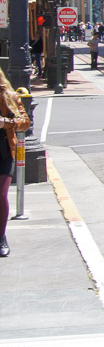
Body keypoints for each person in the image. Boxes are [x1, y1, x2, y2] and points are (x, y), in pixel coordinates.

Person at [0, 67, 31, 257]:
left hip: (3, 152)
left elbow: (25, 122)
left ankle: (1, 237)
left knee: (1, 195)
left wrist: (6, 122)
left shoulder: (10, 96)